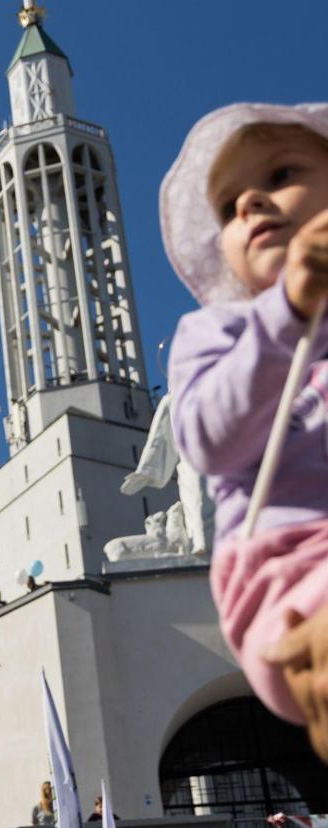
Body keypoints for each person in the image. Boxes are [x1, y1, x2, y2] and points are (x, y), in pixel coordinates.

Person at [161, 103, 328, 762]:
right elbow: (205, 438)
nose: (251, 203)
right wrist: (287, 315)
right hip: (284, 558)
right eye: (229, 207)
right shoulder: (219, 332)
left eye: (282, 172)